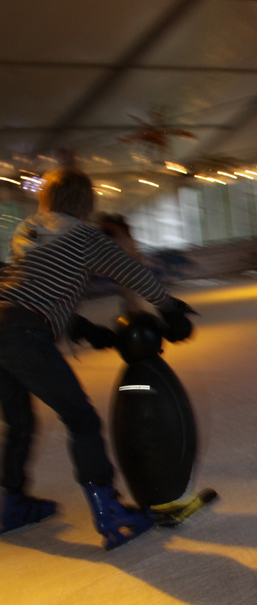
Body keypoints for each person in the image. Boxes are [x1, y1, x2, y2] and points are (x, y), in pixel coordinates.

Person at [0, 168, 193, 549]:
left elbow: (29, 288)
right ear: (85, 201)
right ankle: (110, 512)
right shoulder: (84, 236)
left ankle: (12, 504)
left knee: (19, 423)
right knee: (82, 420)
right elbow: (133, 272)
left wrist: (82, 328)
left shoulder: (28, 229)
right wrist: (171, 309)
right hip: (23, 335)